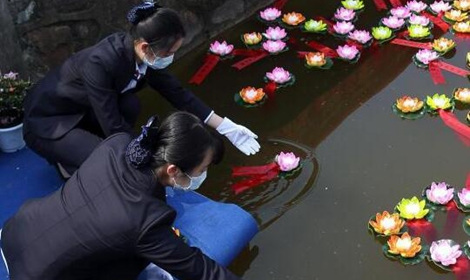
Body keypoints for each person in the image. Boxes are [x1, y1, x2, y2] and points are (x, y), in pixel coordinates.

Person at [23, 1, 260, 176]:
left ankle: (84, 148)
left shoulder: (143, 55)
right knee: (108, 165)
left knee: (130, 104)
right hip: (50, 122)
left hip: (85, 110)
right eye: (169, 53)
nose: (170, 57)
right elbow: (113, 126)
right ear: (146, 47)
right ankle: (67, 161)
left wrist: (226, 127)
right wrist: (154, 164)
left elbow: (178, 94)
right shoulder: (101, 63)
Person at [1, 112, 241, 280]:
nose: (203, 174)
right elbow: (201, 271)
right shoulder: (147, 222)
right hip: (39, 275)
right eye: (203, 169)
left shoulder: (119, 144)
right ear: (173, 170)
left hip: (17, 230)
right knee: (140, 257)